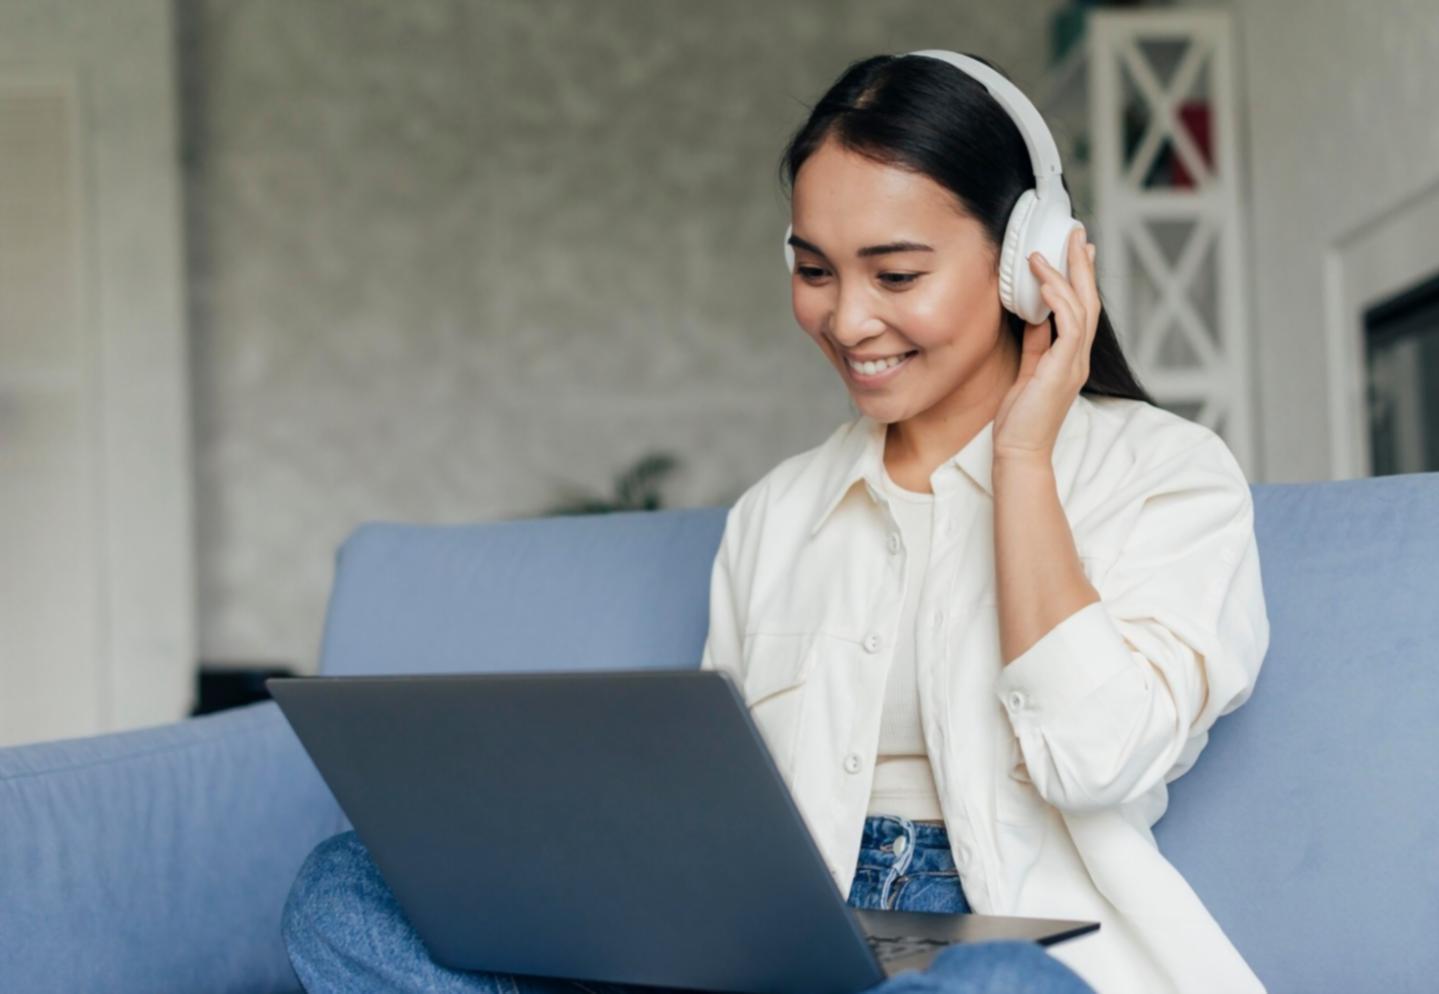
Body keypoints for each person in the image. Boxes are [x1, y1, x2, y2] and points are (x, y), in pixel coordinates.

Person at [282, 50, 1269, 994]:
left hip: (1004, 952)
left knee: (1000, 985)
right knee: (346, 890)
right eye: (815, 271)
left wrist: (1022, 458)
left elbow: (1094, 760)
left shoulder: (1165, 475)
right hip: (779, 950)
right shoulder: (778, 514)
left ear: (1028, 263)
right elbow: (729, 822)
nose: (846, 321)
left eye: (894, 274)